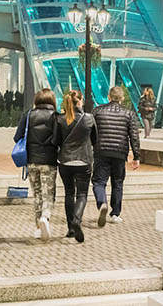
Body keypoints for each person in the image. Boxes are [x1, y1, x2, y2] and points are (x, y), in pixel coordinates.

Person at [91, 86, 141, 226]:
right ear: (122, 98)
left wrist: (92, 146)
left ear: (108, 96)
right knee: (117, 183)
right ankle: (115, 214)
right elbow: (134, 136)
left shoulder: (97, 111)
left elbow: (91, 131)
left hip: (101, 152)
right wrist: (136, 156)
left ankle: (102, 203)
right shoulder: (129, 114)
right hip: (120, 153)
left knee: (98, 182)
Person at [13, 88, 58, 241]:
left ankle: (38, 228)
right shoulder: (56, 117)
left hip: (31, 160)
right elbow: (59, 139)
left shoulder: (28, 115)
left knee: (37, 194)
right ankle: (45, 217)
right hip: (49, 161)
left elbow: (17, 136)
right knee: (48, 194)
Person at [53, 90, 96, 243]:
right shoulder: (88, 119)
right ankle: (77, 220)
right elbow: (95, 140)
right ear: (80, 101)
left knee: (69, 193)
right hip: (83, 161)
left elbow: (56, 141)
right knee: (82, 194)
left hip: (65, 161)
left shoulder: (60, 119)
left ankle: (71, 228)